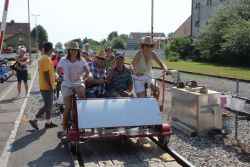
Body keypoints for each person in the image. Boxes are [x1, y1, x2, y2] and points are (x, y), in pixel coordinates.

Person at [56, 41, 90, 132]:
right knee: (67, 106)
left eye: (75, 50)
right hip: (66, 84)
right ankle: (64, 127)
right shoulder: (63, 60)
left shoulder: (82, 60)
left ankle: (83, 122)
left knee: (81, 98)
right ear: (69, 50)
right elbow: (58, 70)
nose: (73, 51)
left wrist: (85, 78)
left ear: (78, 51)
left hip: (78, 82)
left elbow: (87, 72)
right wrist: (60, 75)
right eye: (71, 49)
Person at [29, 42, 57, 130]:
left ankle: (48, 122)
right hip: (47, 86)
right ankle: (34, 119)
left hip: (45, 85)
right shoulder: (46, 59)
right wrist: (50, 86)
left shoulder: (43, 58)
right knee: (48, 105)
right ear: (51, 50)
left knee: (49, 105)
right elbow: (46, 73)